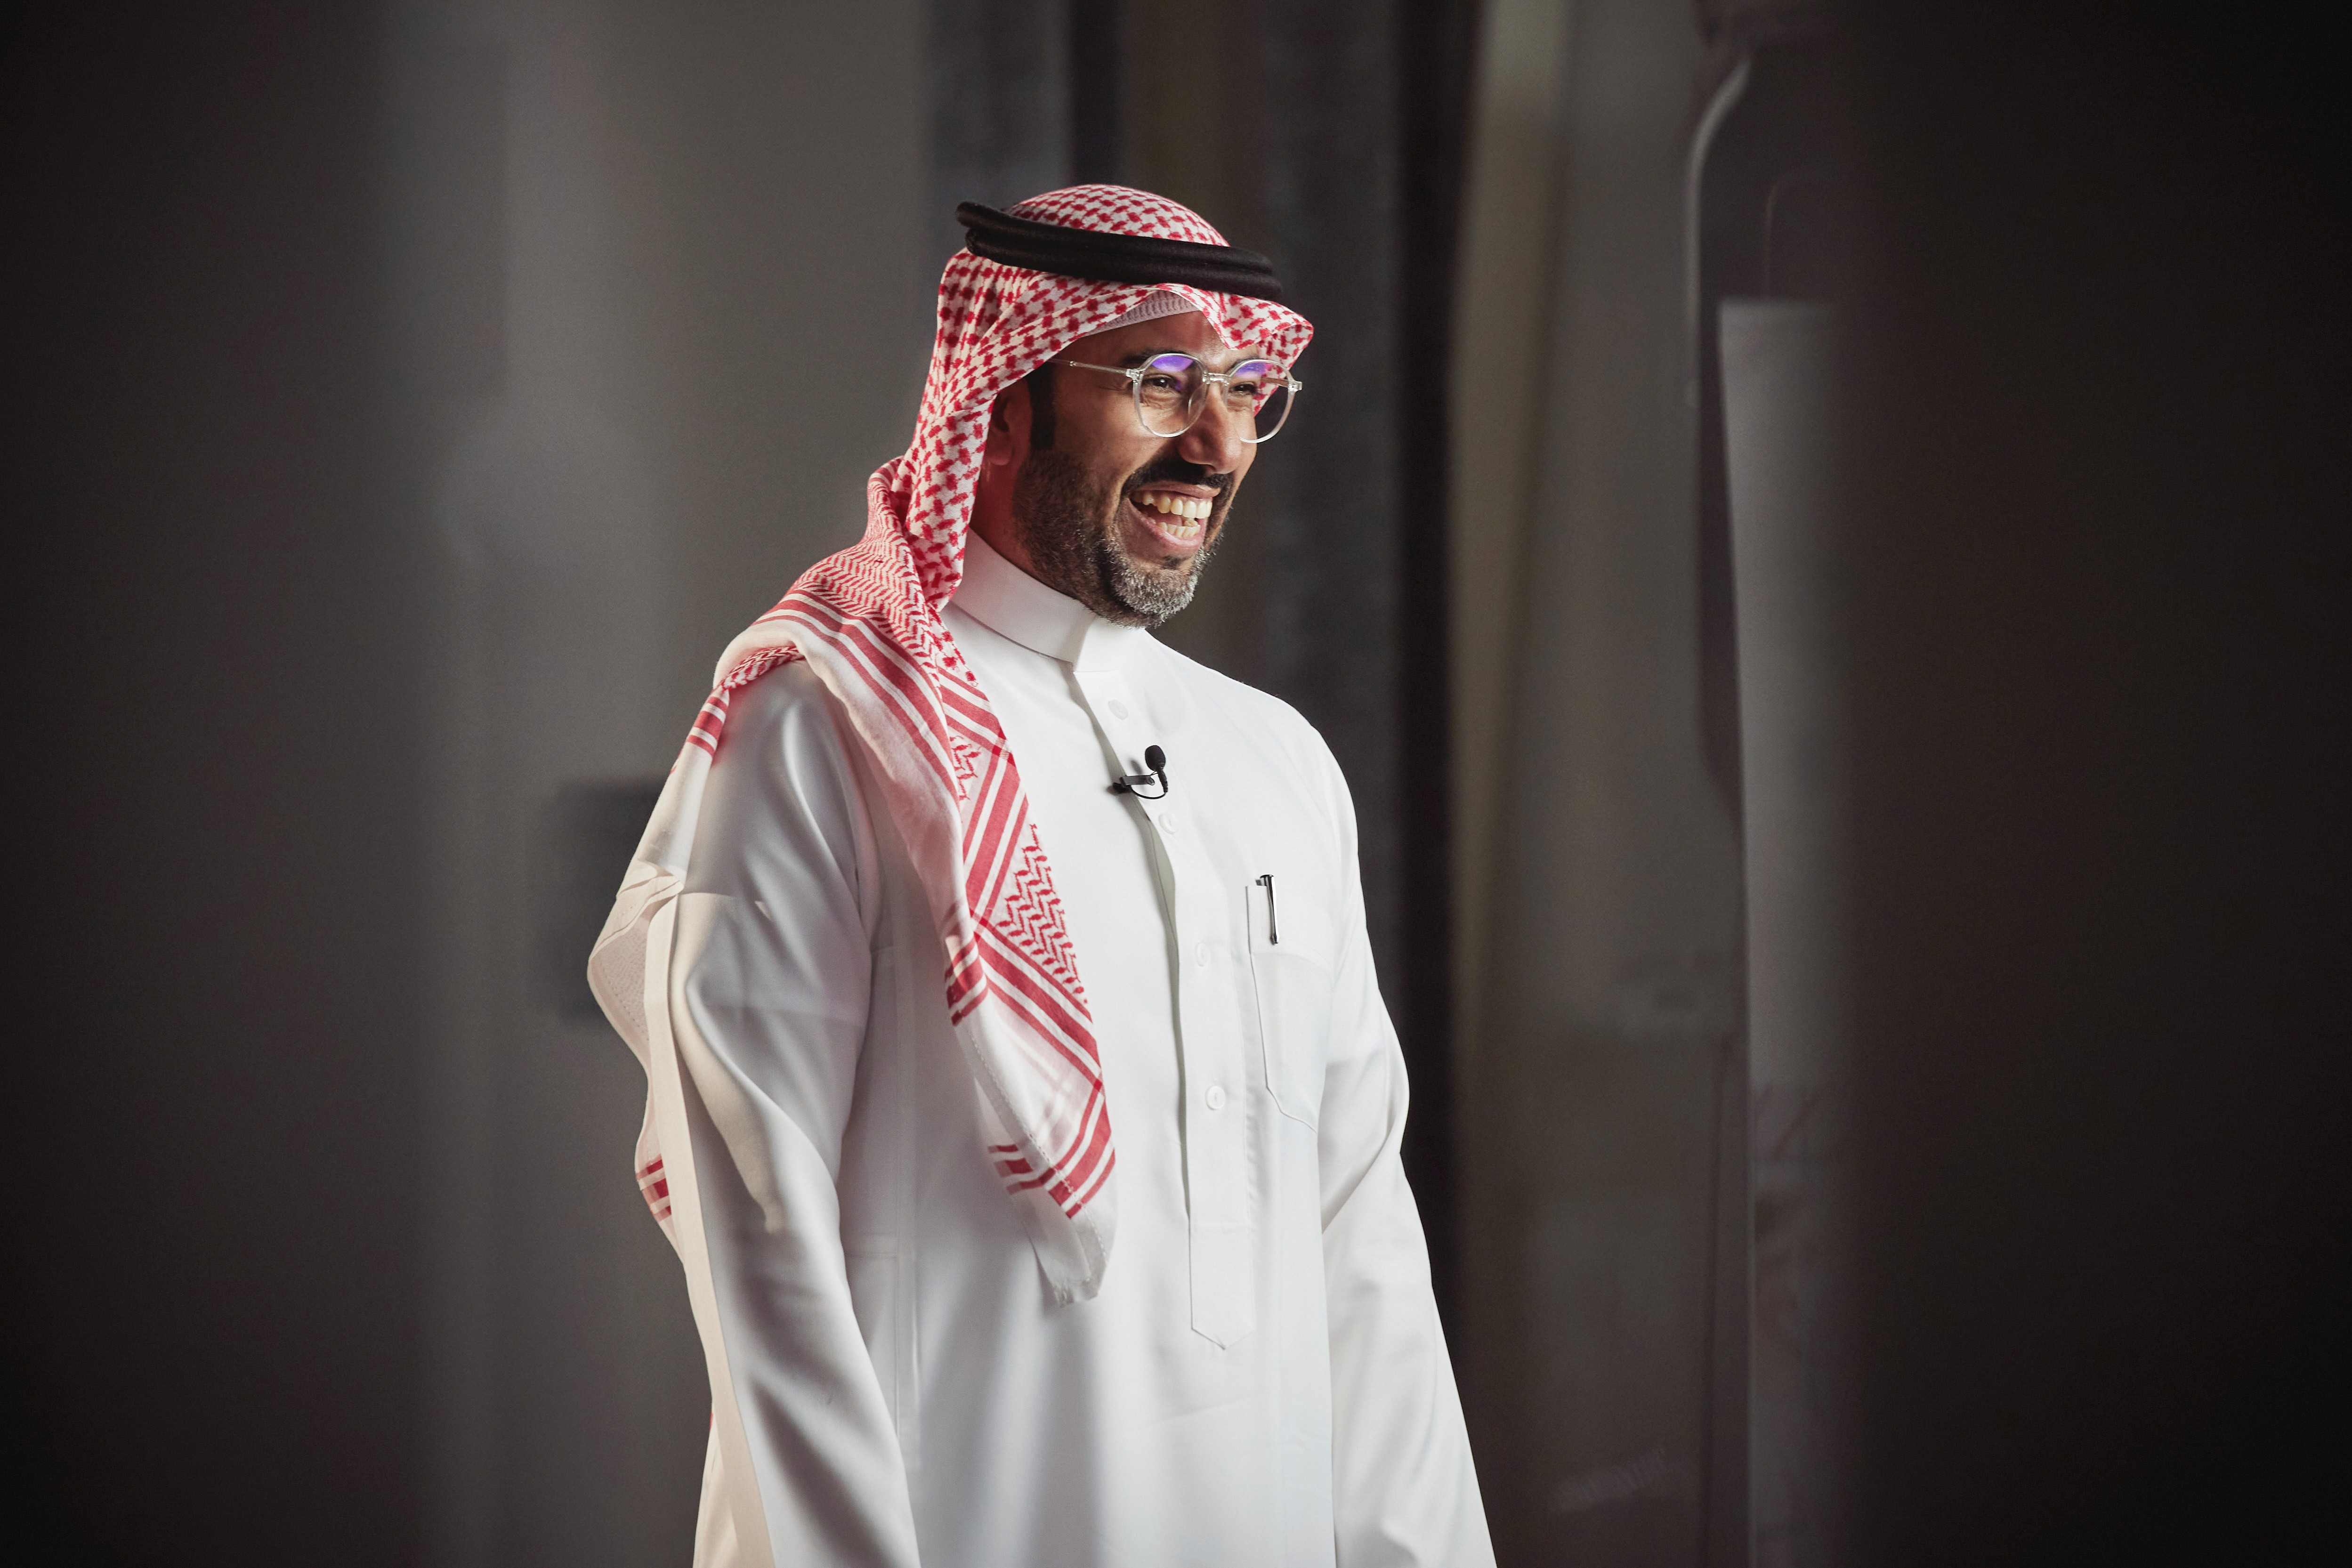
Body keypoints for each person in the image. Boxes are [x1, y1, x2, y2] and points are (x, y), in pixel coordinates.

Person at [590, 185, 1492, 1568]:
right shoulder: (823, 725)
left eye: (1247, 390)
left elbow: (1361, 1231)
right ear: (1003, 402)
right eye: (1163, 383)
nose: (1218, 443)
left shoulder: (1278, 760)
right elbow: (763, 1241)